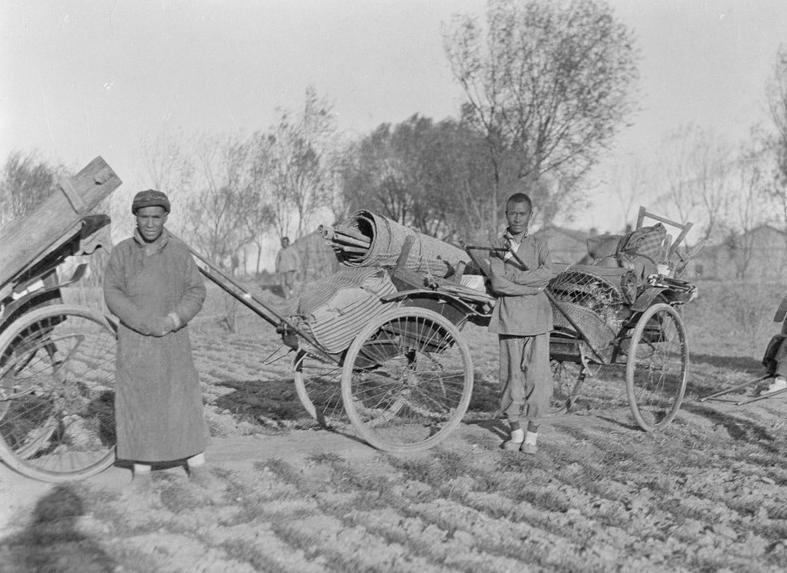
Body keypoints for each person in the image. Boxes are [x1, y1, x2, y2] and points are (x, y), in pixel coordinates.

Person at [104, 189, 210, 490]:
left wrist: (174, 319)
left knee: (182, 398)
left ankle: (197, 466)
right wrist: (144, 323)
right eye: (144, 217)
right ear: (135, 218)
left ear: (165, 217)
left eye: (156, 217)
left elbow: (196, 291)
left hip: (173, 339)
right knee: (138, 401)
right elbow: (112, 293)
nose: (150, 223)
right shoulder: (122, 252)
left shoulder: (179, 252)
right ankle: (141, 473)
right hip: (135, 340)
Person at [487, 192, 557, 454]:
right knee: (510, 378)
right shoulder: (496, 247)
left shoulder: (540, 245)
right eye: (512, 213)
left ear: (530, 216)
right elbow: (497, 282)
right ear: (506, 215)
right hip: (508, 318)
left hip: (538, 319)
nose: (517, 218)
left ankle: (532, 437)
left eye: (522, 213)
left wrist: (515, 280)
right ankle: (515, 432)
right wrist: (531, 285)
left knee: (538, 378)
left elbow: (547, 273)